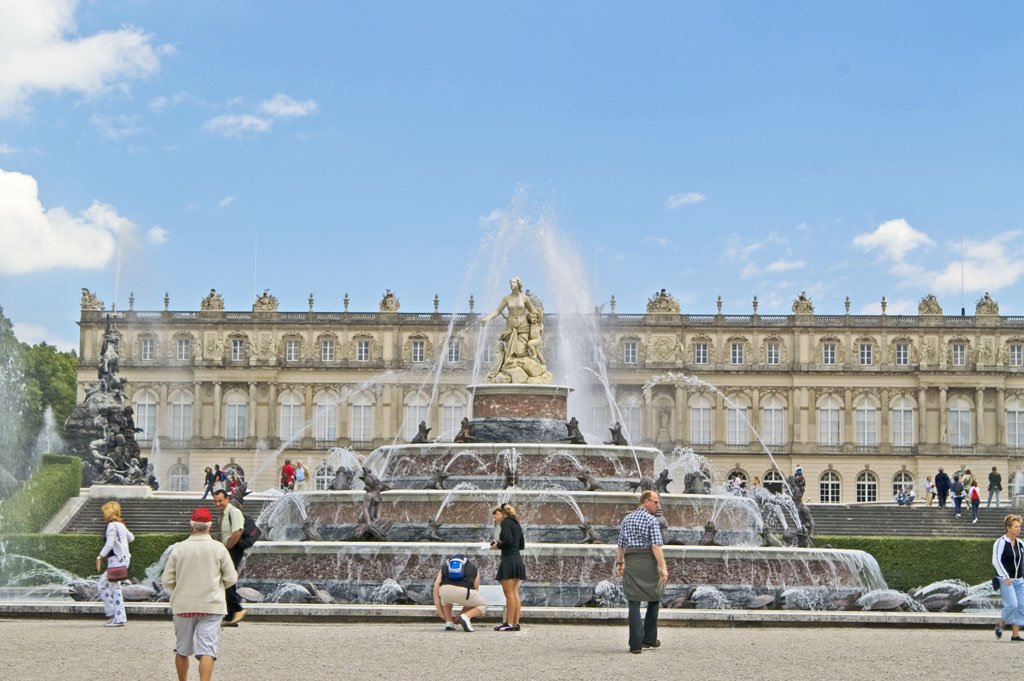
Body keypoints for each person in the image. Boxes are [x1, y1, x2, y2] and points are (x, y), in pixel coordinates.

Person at [162, 507, 238, 681]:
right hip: (211, 604)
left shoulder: (179, 548)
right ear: (210, 526)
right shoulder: (218, 548)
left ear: (192, 524)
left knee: (182, 649)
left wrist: (179, 590)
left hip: (183, 605)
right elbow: (231, 577)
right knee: (207, 651)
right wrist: (218, 586)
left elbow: (166, 580)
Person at [615, 490, 668, 654]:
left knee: (633, 602)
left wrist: (620, 563)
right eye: (655, 502)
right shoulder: (651, 520)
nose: (657, 505)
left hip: (632, 563)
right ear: (646, 501)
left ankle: (635, 644)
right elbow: (656, 546)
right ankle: (649, 639)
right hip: (649, 564)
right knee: (654, 598)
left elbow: (621, 545)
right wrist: (664, 567)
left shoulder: (627, 519)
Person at [481, 276, 539, 378]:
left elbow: (533, 311)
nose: (511, 284)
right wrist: (487, 318)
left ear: (518, 284)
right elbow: (497, 311)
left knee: (521, 352)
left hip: (523, 327)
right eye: (511, 283)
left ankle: (524, 368)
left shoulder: (525, 298)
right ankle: (510, 369)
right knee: (510, 354)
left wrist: (535, 320)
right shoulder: (506, 298)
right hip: (510, 328)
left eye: (513, 282)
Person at [96, 500, 134, 627]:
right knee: (114, 588)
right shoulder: (120, 525)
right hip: (124, 559)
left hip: (116, 560)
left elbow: (109, 543)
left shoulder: (112, 525)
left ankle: (114, 615)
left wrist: (100, 556)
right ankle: (118, 616)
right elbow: (131, 538)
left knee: (104, 586)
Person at [212, 489, 247, 626]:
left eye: (220, 500)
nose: (218, 503)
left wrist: (227, 548)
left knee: (228, 579)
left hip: (233, 549)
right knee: (226, 579)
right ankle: (231, 615)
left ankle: (237, 610)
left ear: (227, 499)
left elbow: (237, 532)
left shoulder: (233, 512)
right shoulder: (223, 514)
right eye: (215, 501)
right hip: (227, 549)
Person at [490, 503, 525, 631]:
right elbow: (521, 545)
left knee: (509, 594)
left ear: (502, 514)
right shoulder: (516, 523)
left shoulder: (505, 523)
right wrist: (502, 544)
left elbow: (508, 541)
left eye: (496, 516)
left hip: (508, 560)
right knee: (515, 593)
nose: (495, 519)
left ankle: (509, 623)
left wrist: (497, 546)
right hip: (517, 559)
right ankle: (515, 623)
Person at [432, 554, 487, 632]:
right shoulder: (473, 568)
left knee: (445, 596)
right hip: (465, 592)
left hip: (445, 592)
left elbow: (435, 591)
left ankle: (448, 622)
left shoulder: (445, 567)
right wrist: (461, 615)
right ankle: (467, 616)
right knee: (483, 605)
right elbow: (475, 590)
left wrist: (441, 615)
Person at [992, 514, 1024, 641]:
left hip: (1019, 580)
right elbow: (996, 561)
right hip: (1006, 580)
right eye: (1016, 527)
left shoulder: (1020, 543)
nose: (1018, 529)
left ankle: (1015, 635)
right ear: (1008, 528)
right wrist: (1005, 576)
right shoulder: (1000, 542)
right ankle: (1001, 624)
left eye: (1019, 527)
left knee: (1021, 606)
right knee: (1012, 605)